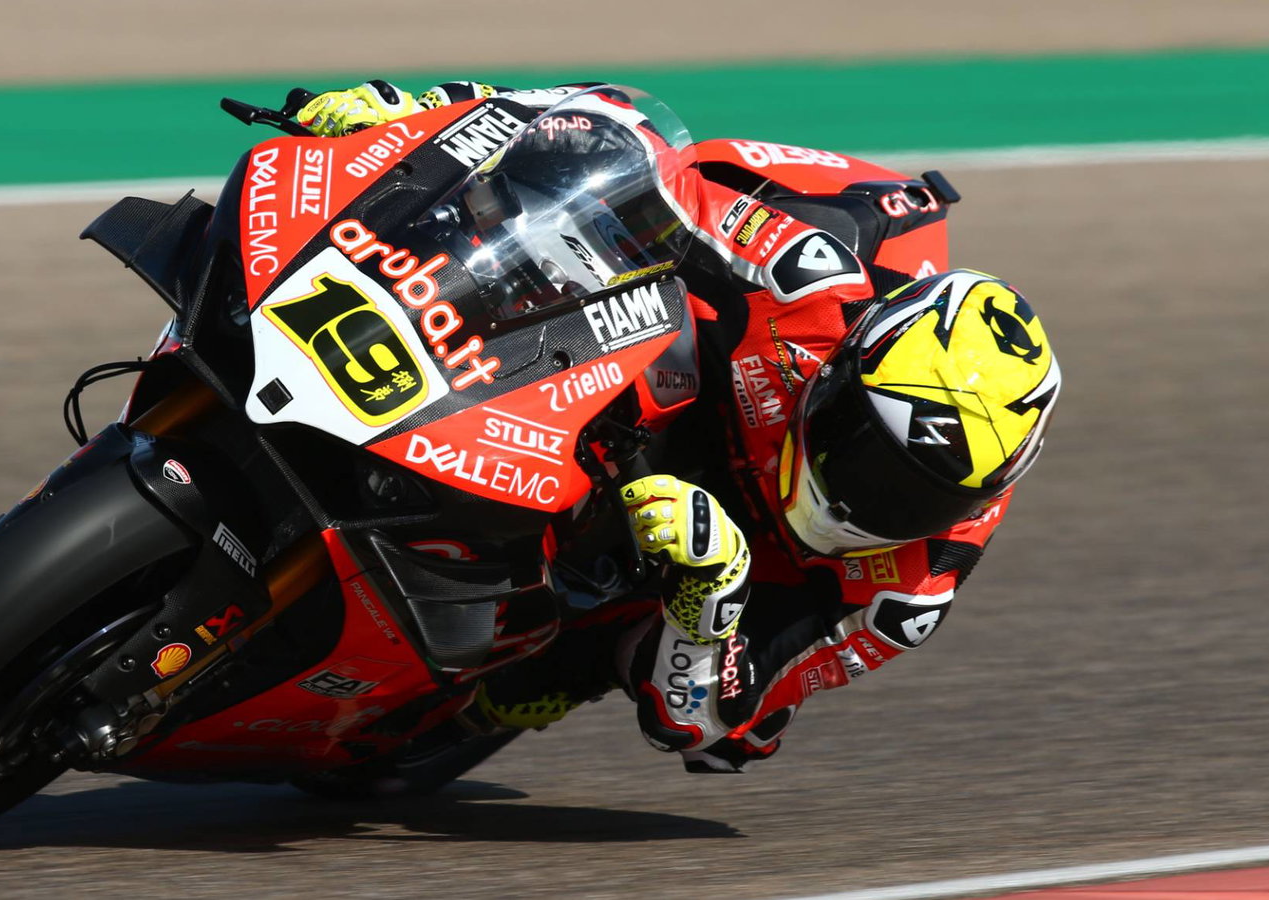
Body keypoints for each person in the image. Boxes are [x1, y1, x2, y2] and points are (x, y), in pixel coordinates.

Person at [292, 80, 1062, 773]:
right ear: (842, 372)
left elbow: (723, 721)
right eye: (868, 457)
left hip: (718, 556)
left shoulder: (909, 591)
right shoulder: (803, 275)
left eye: (918, 499)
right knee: (547, 228)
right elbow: (613, 146)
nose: (869, 503)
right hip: (654, 366)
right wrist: (426, 114)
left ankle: (492, 695)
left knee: (570, 679)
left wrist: (709, 598)